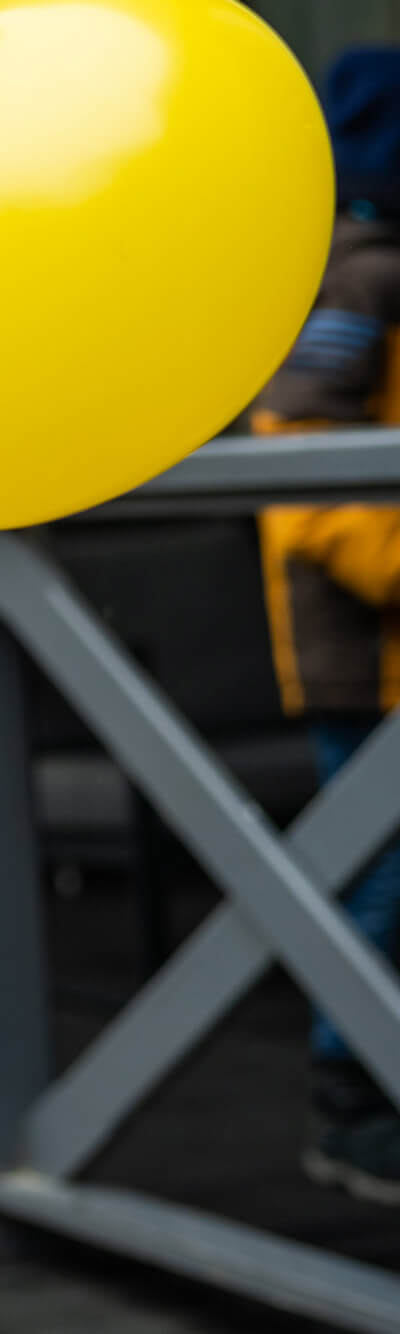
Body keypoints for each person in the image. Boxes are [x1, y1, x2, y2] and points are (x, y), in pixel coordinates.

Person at [251, 47, 400, 1209]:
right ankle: (345, 1111)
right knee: (371, 880)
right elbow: (297, 461)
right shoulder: (352, 277)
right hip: (360, 651)